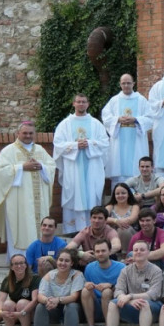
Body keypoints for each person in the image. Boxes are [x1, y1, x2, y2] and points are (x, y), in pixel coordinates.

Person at [0, 121, 56, 261]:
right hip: (18, 201)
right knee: (19, 228)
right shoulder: (8, 151)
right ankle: (19, 261)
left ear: (34, 134)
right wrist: (22, 167)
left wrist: (42, 167)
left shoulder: (40, 150)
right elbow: (1, 171)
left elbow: (51, 166)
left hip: (38, 200)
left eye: (31, 133)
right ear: (18, 133)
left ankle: (38, 260)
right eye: (25, 133)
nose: (28, 136)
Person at [53, 93, 109, 233]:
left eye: (83, 102)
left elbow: (105, 143)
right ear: (73, 104)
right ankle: (72, 230)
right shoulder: (65, 124)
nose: (81, 104)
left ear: (88, 104)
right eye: (78, 102)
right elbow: (58, 144)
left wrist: (89, 143)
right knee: (73, 194)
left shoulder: (96, 124)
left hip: (92, 167)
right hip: (73, 167)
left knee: (91, 194)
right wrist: (75, 145)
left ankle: (93, 230)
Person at [103, 240, 163, 326]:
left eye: (142, 250)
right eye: (136, 250)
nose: (138, 252)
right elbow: (118, 291)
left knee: (144, 303)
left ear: (148, 252)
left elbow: (153, 294)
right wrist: (129, 301)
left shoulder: (156, 270)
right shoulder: (125, 270)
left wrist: (131, 296)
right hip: (131, 306)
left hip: (152, 308)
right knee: (112, 304)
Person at [22, 249, 83, 326]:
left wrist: (58, 300)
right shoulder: (50, 275)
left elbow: (74, 297)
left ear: (72, 263)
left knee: (71, 305)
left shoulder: (77, 275)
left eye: (67, 261)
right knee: (40, 306)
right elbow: (40, 296)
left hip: (73, 310)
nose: (63, 263)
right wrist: (48, 301)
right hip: (54, 308)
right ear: (57, 261)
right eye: (60, 260)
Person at [102, 73, 151, 184]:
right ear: (120, 84)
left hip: (136, 140)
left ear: (133, 84)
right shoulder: (114, 100)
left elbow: (150, 118)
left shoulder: (141, 100)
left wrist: (136, 120)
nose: (126, 85)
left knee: (136, 166)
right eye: (123, 83)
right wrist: (118, 119)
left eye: (128, 83)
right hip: (119, 140)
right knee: (119, 170)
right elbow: (106, 117)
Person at [77, 239, 125, 326]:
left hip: (114, 306)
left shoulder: (121, 267)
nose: (100, 254)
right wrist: (88, 285)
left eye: (103, 251)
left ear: (110, 251)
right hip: (95, 305)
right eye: (97, 251)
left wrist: (111, 286)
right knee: (85, 291)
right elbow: (86, 285)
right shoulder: (89, 267)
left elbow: (125, 289)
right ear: (94, 253)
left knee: (107, 292)